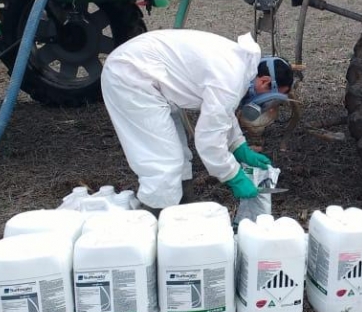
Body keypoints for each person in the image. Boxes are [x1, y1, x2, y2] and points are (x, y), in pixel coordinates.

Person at [100, 29, 294, 210]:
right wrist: (232, 175)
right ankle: (155, 223)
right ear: (264, 81)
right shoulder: (230, 79)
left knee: (180, 158)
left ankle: (180, 211)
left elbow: (220, 113)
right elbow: (208, 138)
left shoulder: (240, 69)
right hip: (130, 75)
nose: (266, 106)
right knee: (164, 164)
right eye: (270, 99)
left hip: (148, 74)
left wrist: (237, 146)